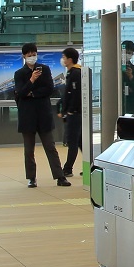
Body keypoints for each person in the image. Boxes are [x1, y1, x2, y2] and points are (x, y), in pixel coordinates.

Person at [15, 44, 67, 188]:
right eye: (29, 54)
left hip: (43, 114)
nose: (32, 56)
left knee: (50, 146)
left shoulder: (44, 69)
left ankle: (60, 176)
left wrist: (32, 93)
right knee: (29, 150)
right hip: (27, 116)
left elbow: (49, 88)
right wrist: (31, 80)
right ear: (24, 56)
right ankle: (31, 178)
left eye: (34, 53)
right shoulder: (19, 73)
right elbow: (20, 92)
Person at [58, 46, 83, 178]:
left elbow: (75, 94)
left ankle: (68, 168)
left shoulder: (75, 73)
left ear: (70, 59)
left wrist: (70, 110)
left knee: (73, 141)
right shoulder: (71, 73)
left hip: (75, 114)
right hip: (73, 113)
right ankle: (91, 166)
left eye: (64, 57)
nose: (62, 60)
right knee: (79, 142)